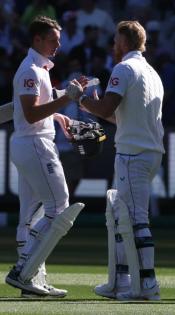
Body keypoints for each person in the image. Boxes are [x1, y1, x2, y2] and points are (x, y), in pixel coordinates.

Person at [79, 20, 164, 301]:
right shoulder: (151, 72)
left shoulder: (124, 68)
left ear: (125, 43)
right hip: (148, 152)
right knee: (122, 216)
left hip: (133, 153)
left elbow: (105, 106)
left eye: (116, 41)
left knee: (136, 218)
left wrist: (81, 99)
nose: (113, 46)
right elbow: (118, 117)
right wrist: (92, 105)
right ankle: (120, 281)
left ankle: (148, 283)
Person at [5, 16, 86, 297]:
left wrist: (60, 114)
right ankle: (24, 271)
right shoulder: (30, 69)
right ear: (37, 39)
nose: (57, 45)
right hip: (35, 144)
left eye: (58, 40)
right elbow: (30, 113)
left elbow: (32, 109)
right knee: (59, 206)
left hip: (30, 143)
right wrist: (67, 99)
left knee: (30, 216)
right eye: (52, 40)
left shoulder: (38, 68)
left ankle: (32, 279)